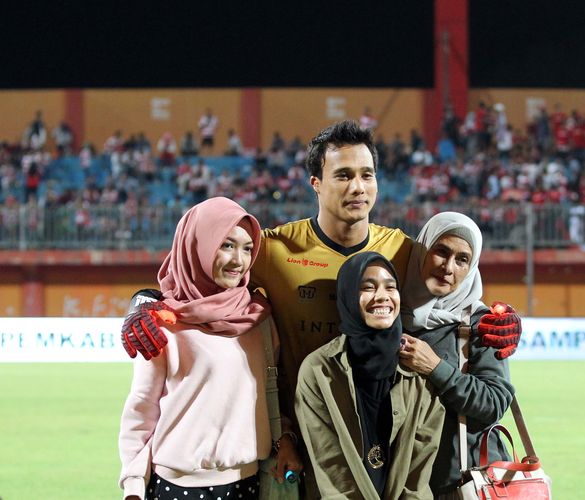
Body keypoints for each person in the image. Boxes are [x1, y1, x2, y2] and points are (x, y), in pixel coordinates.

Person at [118, 120, 521, 495]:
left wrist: (499, 320)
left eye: (367, 175)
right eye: (343, 175)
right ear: (316, 183)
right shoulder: (273, 252)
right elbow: (202, 280)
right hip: (301, 442)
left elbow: (453, 287)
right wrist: (143, 302)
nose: (357, 187)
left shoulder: (403, 251)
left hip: (383, 441)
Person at [118, 197, 302, 500]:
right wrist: (134, 482)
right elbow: (142, 407)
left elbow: (272, 393)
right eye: (226, 245)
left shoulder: (259, 318)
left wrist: (285, 437)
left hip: (248, 484)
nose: (238, 260)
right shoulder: (162, 322)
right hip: (174, 488)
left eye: (246, 249)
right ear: (197, 245)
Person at [295, 251, 445, 498]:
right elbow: (331, 471)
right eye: (367, 287)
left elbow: (419, 472)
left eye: (390, 287)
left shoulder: (418, 367)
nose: (382, 297)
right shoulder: (319, 371)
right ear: (347, 298)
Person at [397, 212, 516, 498]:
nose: (448, 268)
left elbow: (494, 402)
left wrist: (435, 366)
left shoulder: (481, 323)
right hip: (404, 483)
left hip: (462, 482)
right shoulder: (388, 313)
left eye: (462, 259)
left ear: (471, 267)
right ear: (422, 251)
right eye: (441, 251)